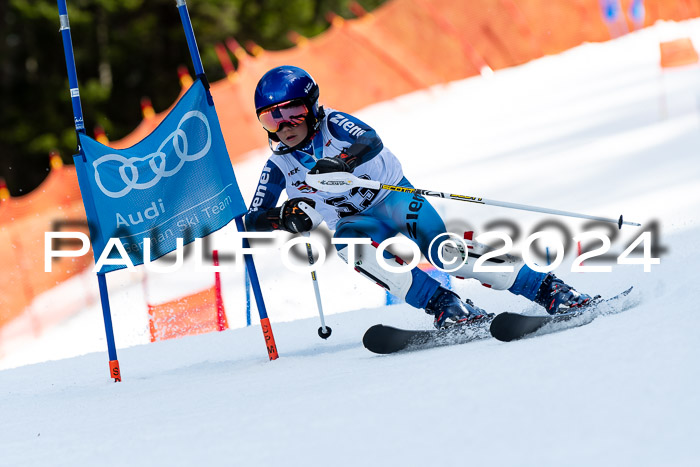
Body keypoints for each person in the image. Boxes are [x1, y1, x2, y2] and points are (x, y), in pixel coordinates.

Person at [245, 65, 592, 329]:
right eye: (272, 118)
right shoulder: (279, 165)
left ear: (313, 106)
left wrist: (343, 162)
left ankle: (549, 289)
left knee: (445, 253)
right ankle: (447, 306)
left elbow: (371, 140)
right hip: (356, 221)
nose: (285, 126)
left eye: (294, 113)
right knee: (352, 249)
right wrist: (284, 217)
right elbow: (252, 218)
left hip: (394, 199)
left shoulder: (334, 124)